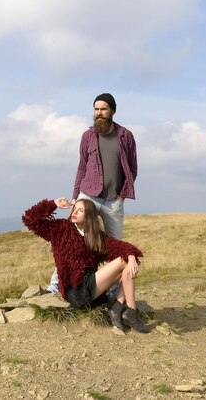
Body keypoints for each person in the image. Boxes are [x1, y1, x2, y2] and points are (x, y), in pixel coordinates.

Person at [47, 92, 138, 295]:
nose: (99, 113)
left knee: (115, 245)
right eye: (96, 109)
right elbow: (81, 167)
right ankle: (55, 287)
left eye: (103, 109)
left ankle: (113, 293)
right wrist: (75, 197)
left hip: (113, 200)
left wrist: (122, 194)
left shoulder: (125, 136)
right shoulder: (87, 136)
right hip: (87, 195)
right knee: (70, 239)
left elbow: (132, 168)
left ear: (112, 111)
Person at [22, 197, 149, 333]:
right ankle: (130, 312)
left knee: (128, 263)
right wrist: (53, 204)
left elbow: (121, 247)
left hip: (91, 289)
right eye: (74, 209)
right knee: (125, 262)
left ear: (89, 215)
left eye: (80, 210)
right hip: (76, 291)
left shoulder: (96, 237)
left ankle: (120, 309)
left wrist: (131, 256)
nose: (75, 212)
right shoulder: (61, 229)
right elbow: (30, 219)